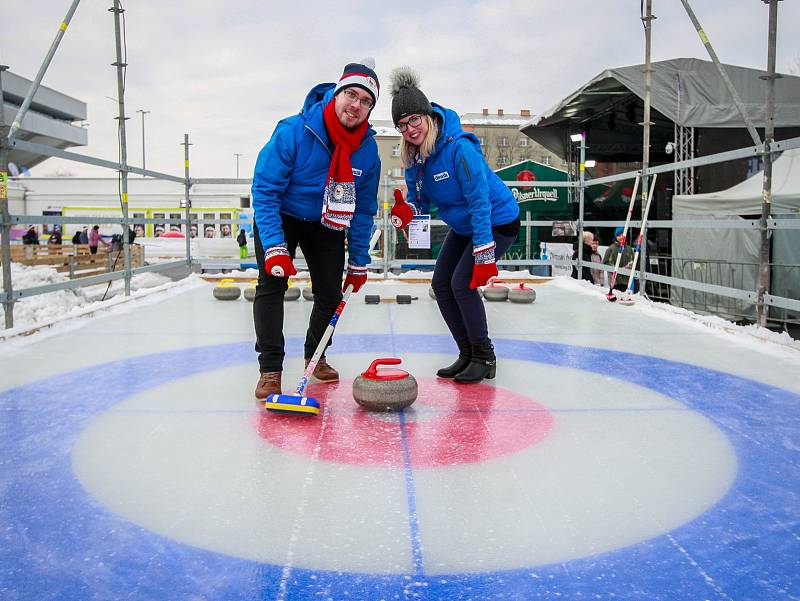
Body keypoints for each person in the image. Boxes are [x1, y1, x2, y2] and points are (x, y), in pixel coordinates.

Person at [251, 57, 381, 400]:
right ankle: (270, 369)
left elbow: (364, 210)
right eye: (352, 95)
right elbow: (265, 190)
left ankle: (316, 355)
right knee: (272, 284)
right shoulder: (295, 130)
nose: (357, 105)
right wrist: (275, 247)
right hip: (281, 213)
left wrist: (359, 261)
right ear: (336, 94)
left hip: (327, 221)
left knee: (330, 292)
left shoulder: (367, 151)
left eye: (366, 101)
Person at [388, 67, 519, 384]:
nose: (409, 129)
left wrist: (485, 251)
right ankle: (467, 353)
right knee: (441, 284)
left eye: (413, 120)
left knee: (463, 283)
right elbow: (421, 202)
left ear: (427, 115)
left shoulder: (459, 148)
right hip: (464, 226)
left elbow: (480, 200)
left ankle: (485, 355)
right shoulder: (415, 159)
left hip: (496, 221)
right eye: (401, 125)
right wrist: (407, 212)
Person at [603, 227, 635, 291]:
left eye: (622, 235)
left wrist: (628, 266)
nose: (620, 237)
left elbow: (633, 261)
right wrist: (618, 269)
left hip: (626, 280)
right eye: (618, 235)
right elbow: (606, 262)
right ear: (615, 237)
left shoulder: (629, 249)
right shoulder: (611, 249)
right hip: (615, 281)